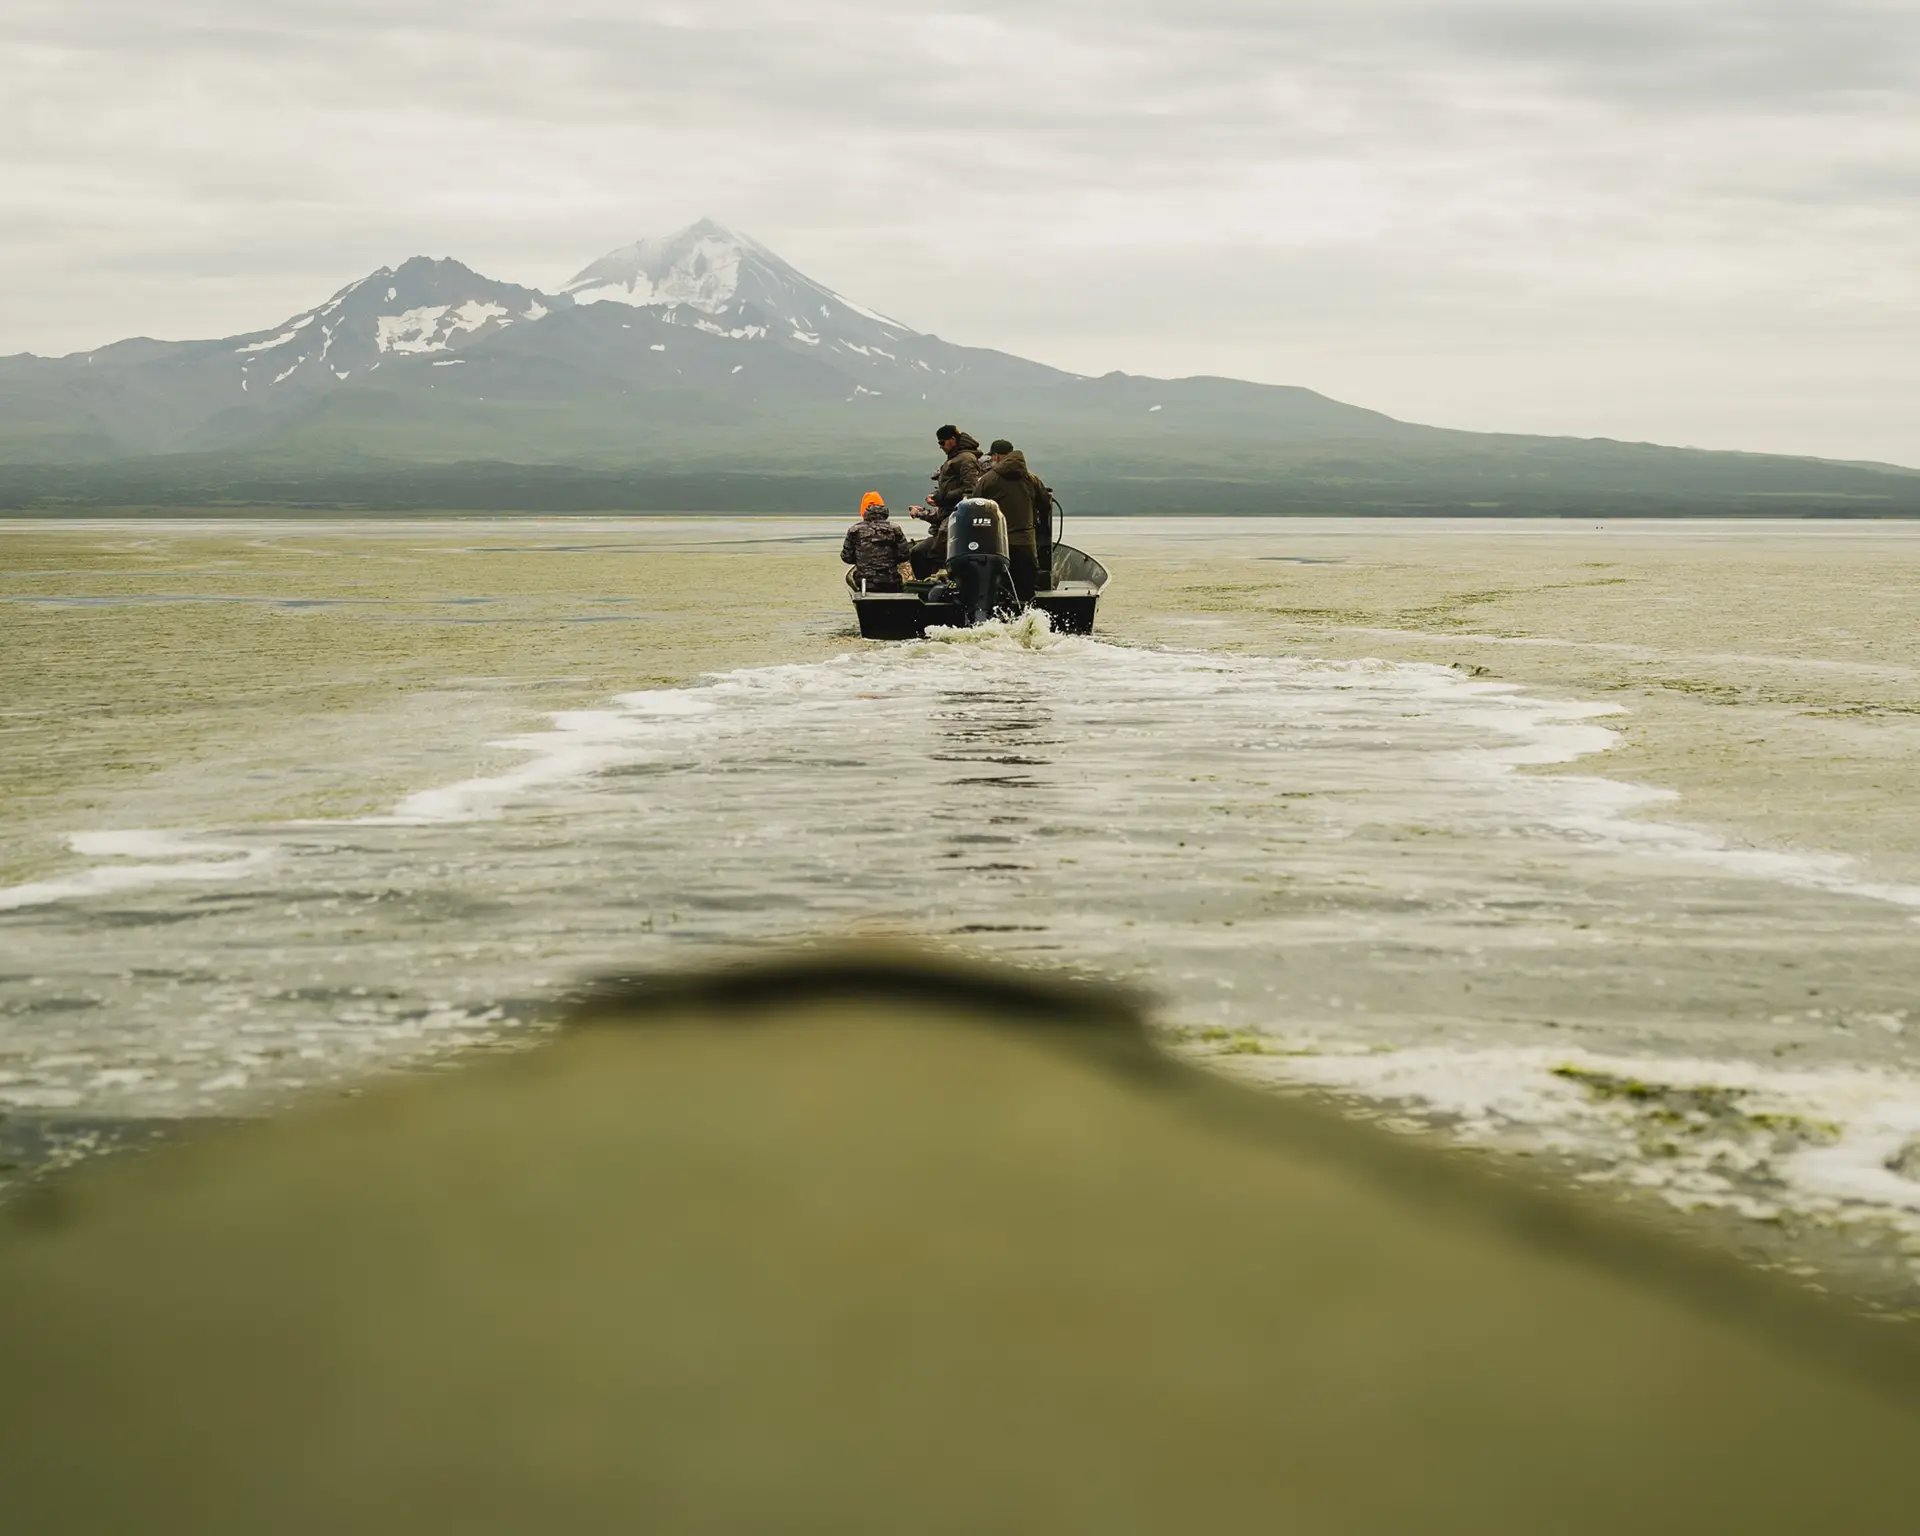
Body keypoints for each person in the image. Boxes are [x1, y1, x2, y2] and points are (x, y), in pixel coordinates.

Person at [973, 439, 1041, 604]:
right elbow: (1045, 504)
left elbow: (975, 506)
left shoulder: (987, 479)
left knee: (1000, 592)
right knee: (1026, 594)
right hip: (1025, 544)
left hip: (997, 545)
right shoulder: (1032, 479)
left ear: (996, 456)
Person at [909, 426, 982, 579]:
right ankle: (924, 585)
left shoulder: (966, 459)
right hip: (945, 515)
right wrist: (936, 497)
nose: (941, 447)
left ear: (953, 440)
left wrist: (943, 498)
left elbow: (971, 489)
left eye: (943, 443)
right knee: (917, 552)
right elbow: (952, 488)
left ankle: (938, 581)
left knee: (933, 552)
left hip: (958, 517)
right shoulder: (954, 459)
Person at [841, 491, 911, 592]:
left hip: (865, 582)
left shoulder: (854, 530)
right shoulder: (895, 528)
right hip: (891, 581)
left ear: (864, 510)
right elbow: (904, 555)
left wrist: (863, 559)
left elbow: (846, 557)